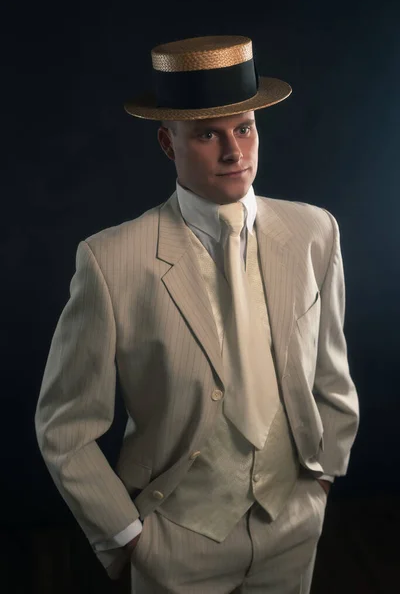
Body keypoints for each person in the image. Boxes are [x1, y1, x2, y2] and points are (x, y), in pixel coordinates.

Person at [35, 35, 359, 593]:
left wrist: (322, 479)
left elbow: (331, 372)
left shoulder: (313, 233)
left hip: (293, 524)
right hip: (176, 540)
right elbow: (65, 425)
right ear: (167, 142)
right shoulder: (113, 260)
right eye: (208, 134)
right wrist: (130, 536)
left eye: (245, 128)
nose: (234, 152)